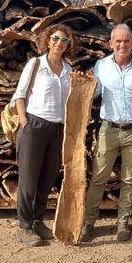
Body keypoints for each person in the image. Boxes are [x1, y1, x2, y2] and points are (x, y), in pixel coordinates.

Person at [80, 24, 132, 243]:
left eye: (127, 41)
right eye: (118, 41)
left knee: (129, 180)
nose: (123, 45)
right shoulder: (101, 66)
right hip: (109, 129)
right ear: (110, 43)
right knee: (98, 178)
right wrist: (83, 84)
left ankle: (123, 223)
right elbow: (94, 94)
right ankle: (88, 222)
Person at [10, 25, 81, 247]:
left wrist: (80, 82)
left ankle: (38, 220)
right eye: (56, 38)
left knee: (48, 178)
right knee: (28, 180)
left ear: (69, 45)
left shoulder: (69, 70)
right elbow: (20, 96)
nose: (60, 43)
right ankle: (24, 226)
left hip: (58, 129)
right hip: (35, 125)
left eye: (65, 40)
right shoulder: (36, 64)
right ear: (48, 40)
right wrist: (25, 124)